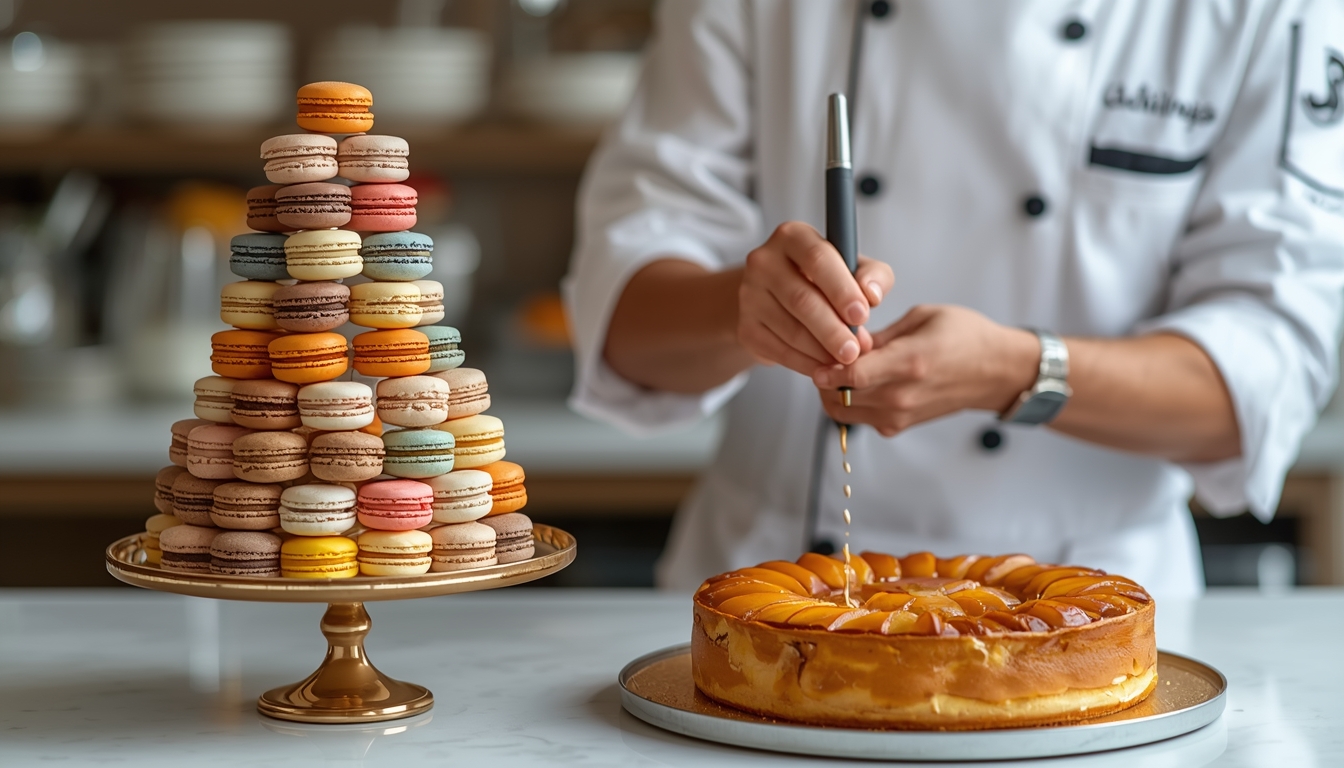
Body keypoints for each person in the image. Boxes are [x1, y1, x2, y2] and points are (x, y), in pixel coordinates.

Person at [563, 0, 1344, 602]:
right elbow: (622, 321)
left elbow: (1266, 374)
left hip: (1095, 604)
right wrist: (748, 307)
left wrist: (1017, 371)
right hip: (771, 589)